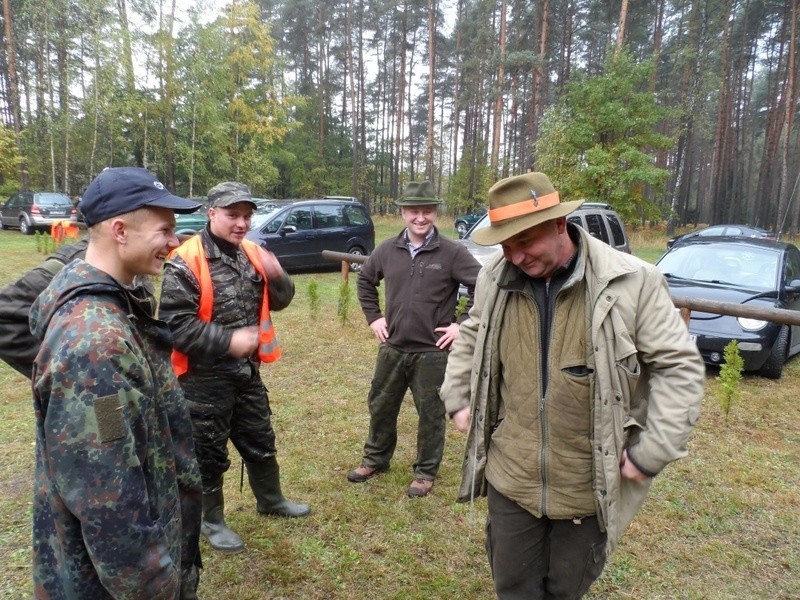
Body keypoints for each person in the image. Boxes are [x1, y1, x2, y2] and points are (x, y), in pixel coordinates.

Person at [440, 172, 705, 599]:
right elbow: (472, 333)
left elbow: (679, 369)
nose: (516, 256)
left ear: (560, 224)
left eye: (525, 241)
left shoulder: (632, 282)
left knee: (566, 590)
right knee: (513, 587)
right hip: (512, 475)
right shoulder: (496, 277)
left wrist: (652, 452)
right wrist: (457, 398)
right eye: (505, 245)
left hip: (587, 483)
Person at [29, 167, 204, 598]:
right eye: (165, 229)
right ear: (120, 230)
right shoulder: (96, 345)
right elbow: (109, 499)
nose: (175, 241)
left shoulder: (120, 304)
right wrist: (155, 585)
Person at [158, 181, 309, 555]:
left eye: (246, 216)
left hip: (246, 373)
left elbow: (281, 300)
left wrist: (276, 273)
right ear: (211, 214)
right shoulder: (186, 259)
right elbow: (175, 327)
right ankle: (211, 521)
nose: (241, 223)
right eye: (232, 215)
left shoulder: (252, 253)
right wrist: (228, 341)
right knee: (208, 452)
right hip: (202, 381)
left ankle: (270, 500)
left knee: (260, 437)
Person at [347, 180, 481, 498]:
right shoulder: (387, 250)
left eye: (426, 211)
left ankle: (425, 472)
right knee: (380, 405)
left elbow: (482, 286)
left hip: (432, 352)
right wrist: (375, 317)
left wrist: (461, 324)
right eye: (413, 211)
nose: (420, 218)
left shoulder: (451, 252)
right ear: (403, 213)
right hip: (392, 348)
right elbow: (366, 280)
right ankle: (376, 459)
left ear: (434, 213)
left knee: (431, 414)